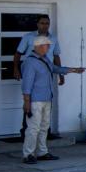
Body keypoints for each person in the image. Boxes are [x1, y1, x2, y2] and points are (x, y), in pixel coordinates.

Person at [20, 35, 67, 163]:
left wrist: (71, 70)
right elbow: (26, 85)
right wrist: (27, 102)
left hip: (46, 98)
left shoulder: (45, 59)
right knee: (33, 127)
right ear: (39, 46)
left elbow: (54, 68)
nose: (49, 47)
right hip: (35, 100)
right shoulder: (30, 62)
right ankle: (28, 154)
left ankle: (42, 152)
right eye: (47, 45)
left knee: (44, 126)